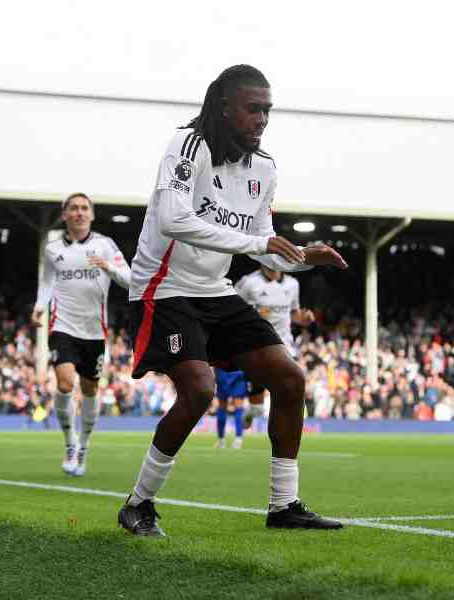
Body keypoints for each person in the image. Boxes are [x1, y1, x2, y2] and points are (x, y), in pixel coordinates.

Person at [118, 65, 348, 536]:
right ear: (225, 107)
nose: (262, 118)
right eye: (253, 108)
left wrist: (303, 257)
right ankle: (139, 504)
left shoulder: (263, 169)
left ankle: (284, 506)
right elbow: (172, 220)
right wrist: (260, 245)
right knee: (200, 391)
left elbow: (263, 243)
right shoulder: (187, 147)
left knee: (289, 378)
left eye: (268, 110)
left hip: (215, 291)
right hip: (164, 287)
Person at [32, 193, 131, 477]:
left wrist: (108, 267)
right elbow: (48, 282)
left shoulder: (105, 245)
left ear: (92, 215)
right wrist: (40, 306)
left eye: (84, 208)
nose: (79, 212)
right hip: (62, 326)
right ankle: (70, 444)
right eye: (73, 208)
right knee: (64, 384)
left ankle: (84, 447)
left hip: (94, 331)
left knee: (89, 391)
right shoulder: (53, 249)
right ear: (64, 215)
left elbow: (131, 279)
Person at [234, 264, 316, 430]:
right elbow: (231, 309)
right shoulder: (249, 282)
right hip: (256, 346)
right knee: (257, 408)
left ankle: (287, 432)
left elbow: (294, 314)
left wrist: (303, 319)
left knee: (289, 387)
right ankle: (251, 412)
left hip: (284, 344)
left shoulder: (292, 284)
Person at [212, 367, 248, 449]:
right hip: (237, 370)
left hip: (222, 371)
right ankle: (238, 439)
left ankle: (221, 440)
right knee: (238, 407)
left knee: (222, 406)